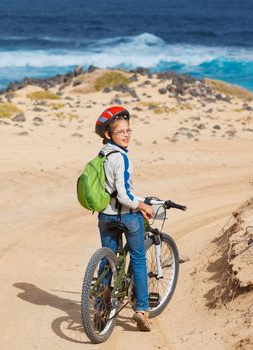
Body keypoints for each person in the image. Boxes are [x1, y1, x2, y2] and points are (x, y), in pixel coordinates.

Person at [94, 106, 155, 331]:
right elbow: (123, 195)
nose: (126, 135)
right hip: (127, 217)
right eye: (121, 132)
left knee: (107, 260)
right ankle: (141, 310)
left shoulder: (102, 155)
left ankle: (100, 306)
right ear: (108, 135)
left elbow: (110, 191)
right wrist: (142, 205)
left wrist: (134, 199)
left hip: (105, 216)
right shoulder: (121, 158)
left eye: (129, 130)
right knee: (138, 259)